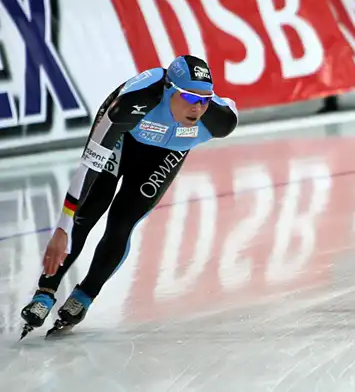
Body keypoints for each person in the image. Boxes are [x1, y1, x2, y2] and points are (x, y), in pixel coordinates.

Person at [19, 55, 239, 339]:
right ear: (168, 89)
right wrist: (63, 225)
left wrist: (206, 103)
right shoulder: (135, 103)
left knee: (122, 222)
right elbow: (90, 164)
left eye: (205, 99)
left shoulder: (219, 121)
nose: (198, 107)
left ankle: (85, 295)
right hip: (123, 137)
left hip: (166, 153)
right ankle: (45, 292)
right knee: (88, 210)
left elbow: (224, 107)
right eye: (189, 96)